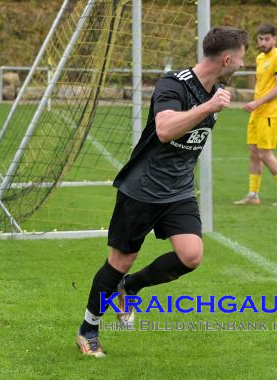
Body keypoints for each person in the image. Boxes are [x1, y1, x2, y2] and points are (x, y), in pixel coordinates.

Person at [75, 26, 248, 357]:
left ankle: (130, 288)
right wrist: (207, 107)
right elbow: (165, 129)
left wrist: (213, 103)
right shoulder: (174, 84)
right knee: (119, 262)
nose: (242, 63)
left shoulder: (218, 88)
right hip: (142, 189)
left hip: (179, 191)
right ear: (227, 58)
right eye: (241, 57)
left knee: (191, 256)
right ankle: (88, 329)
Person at [233, 24, 277, 206]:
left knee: (265, 154)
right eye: (260, 39)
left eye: (267, 39)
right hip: (258, 113)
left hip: (270, 113)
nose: (263, 42)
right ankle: (253, 194)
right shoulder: (260, 58)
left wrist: (258, 102)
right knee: (254, 153)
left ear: (274, 39)